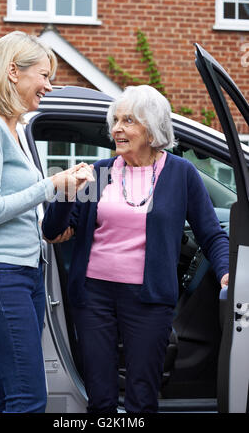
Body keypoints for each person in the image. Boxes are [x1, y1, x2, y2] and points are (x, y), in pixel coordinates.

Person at [42, 84, 229, 414]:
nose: (116, 128)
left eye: (128, 120)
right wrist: (66, 191)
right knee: (100, 397)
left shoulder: (181, 173)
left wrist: (228, 271)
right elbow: (54, 230)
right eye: (115, 120)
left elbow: (211, 233)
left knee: (143, 395)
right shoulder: (98, 174)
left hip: (149, 299)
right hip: (92, 296)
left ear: (152, 127)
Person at [0, 31, 94, 413]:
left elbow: (16, 206)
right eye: (45, 75)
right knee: (28, 399)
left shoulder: (13, 130)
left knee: (6, 396)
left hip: (24, 273)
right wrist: (51, 184)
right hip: (0, 276)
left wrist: (49, 226)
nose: (49, 86)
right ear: (14, 72)